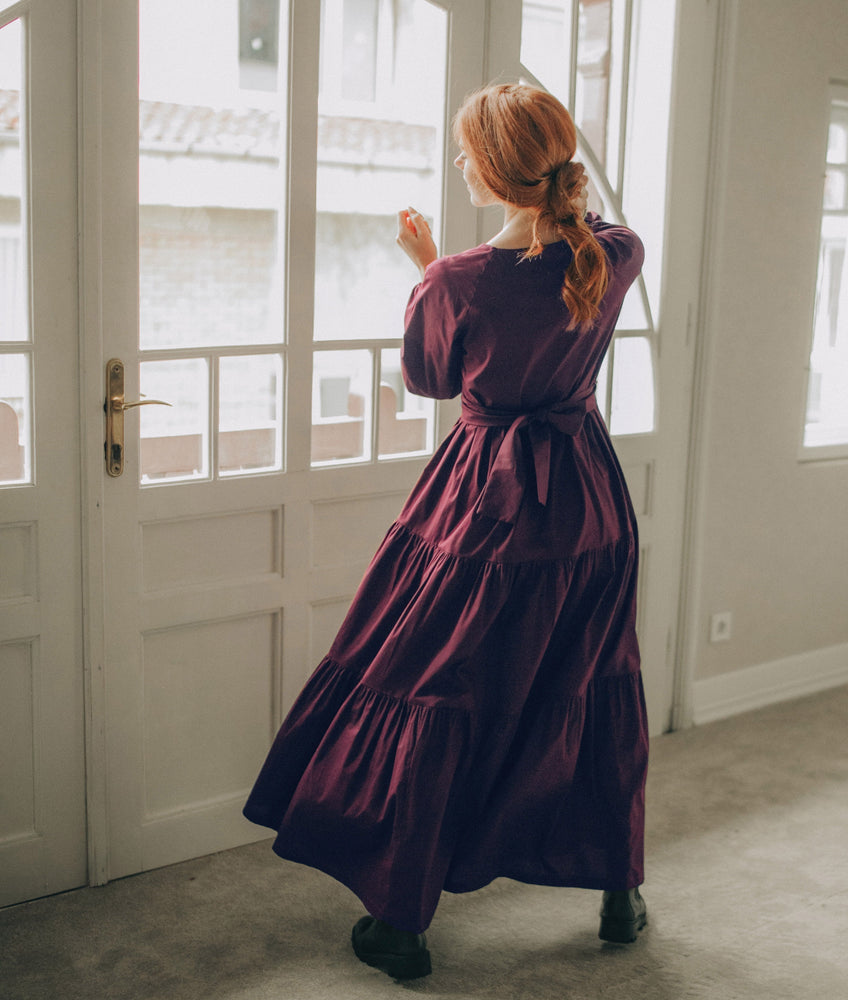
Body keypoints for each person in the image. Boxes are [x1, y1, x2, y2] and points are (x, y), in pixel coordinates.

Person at [244, 83, 649, 981]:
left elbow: (433, 379)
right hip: (587, 501)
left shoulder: (458, 281)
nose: (460, 164)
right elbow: (572, 260)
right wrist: (461, 257)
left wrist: (429, 268)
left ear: (499, 174)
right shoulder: (618, 252)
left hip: (486, 505)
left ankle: (401, 924)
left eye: (468, 153)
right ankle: (620, 893)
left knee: (434, 683)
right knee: (590, 679)